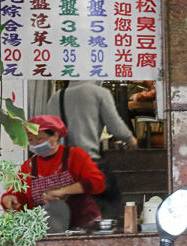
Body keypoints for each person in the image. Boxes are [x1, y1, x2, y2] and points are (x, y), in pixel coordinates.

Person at [45, 81, 137, 220]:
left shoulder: (55, 97)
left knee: (75, 212)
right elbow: (115, 127)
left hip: (62, 166)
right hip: (88, 162)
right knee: (109, 204)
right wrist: (132, 140)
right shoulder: (99, 92)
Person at [0, 115, 106, 229]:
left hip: (83, 224)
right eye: (31, 140)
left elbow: (96, 182)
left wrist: (62, 191)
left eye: (40, 138)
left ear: (55, 136)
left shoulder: (74, 155)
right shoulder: (29, 166)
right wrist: (10, 199)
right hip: (51, 228)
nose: (35, 144)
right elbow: (19, 195)